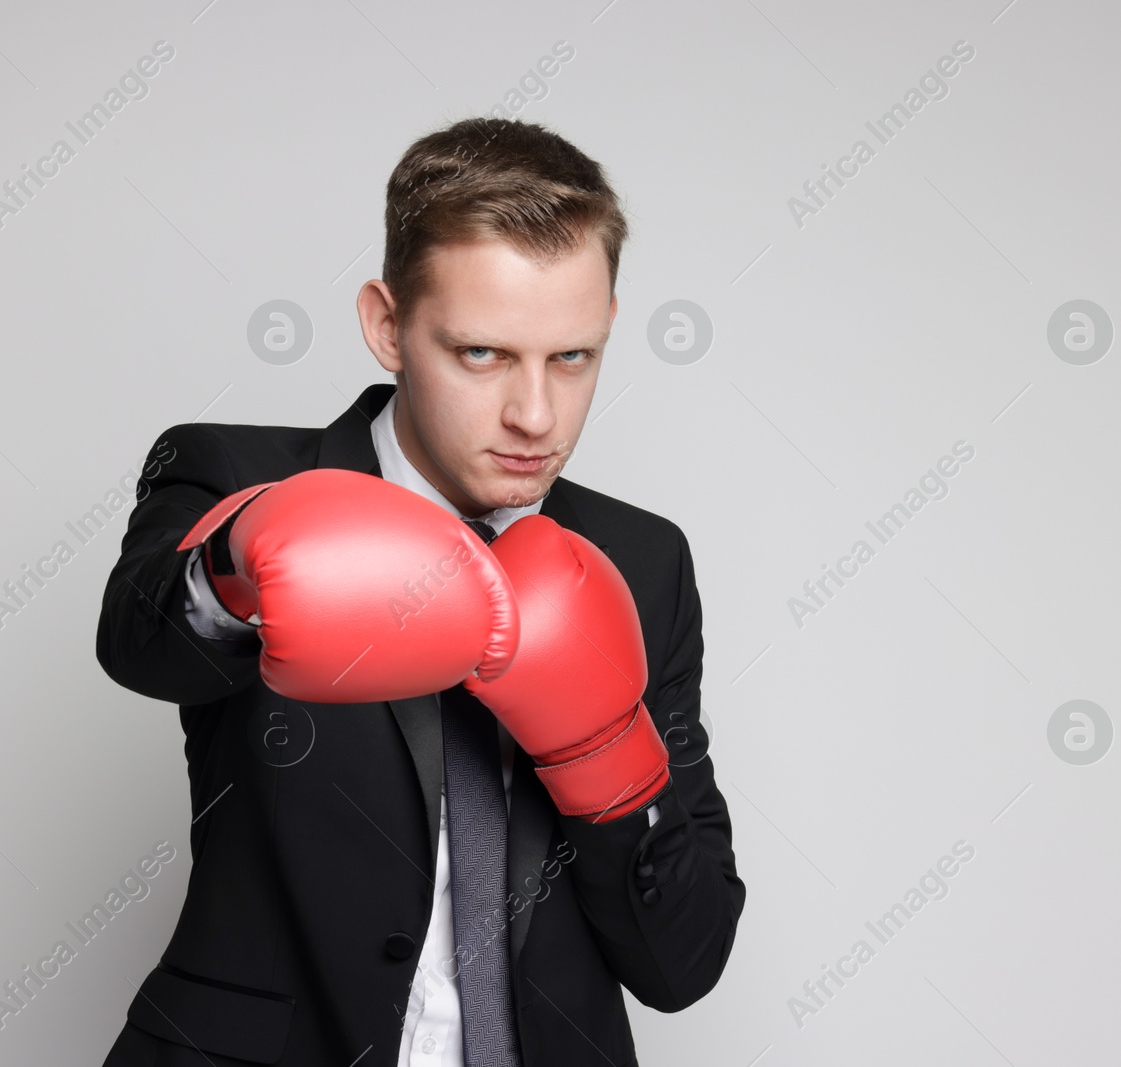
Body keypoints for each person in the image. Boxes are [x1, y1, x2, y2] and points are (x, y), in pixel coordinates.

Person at [96, 116, 744, 1066]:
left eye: (573, 358)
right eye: (482, 354)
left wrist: (611, 764)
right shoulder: (236, 474)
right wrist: (240, 561)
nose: (535, 415)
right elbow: (138, 641)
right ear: (387, 324)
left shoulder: (641, 560)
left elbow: (683, 962)